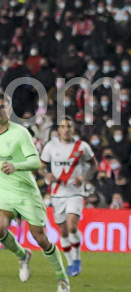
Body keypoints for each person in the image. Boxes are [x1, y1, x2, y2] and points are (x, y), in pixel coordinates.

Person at [0, 93, 70, 292]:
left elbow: (36, 162)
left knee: (41, 238)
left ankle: (62, 278)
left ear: (9, 110)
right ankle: (23, 255)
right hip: (2, 193)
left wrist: (15, 166)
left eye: (3, 107)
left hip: (25, 193)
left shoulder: (20, 133)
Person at [40, 117, 96, 277]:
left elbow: (94, 164)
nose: (66, 129)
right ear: (59, 130)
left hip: (75, 193)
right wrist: (47, 175)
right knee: (63, 231)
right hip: (57, 194)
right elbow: (42, 166)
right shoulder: (51, 146)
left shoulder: (82, 146)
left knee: (72, 226)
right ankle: (70, 262)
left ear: (73, 129)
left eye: (69, 126)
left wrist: (84, 178)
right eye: (63, 126)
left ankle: (77, 259)